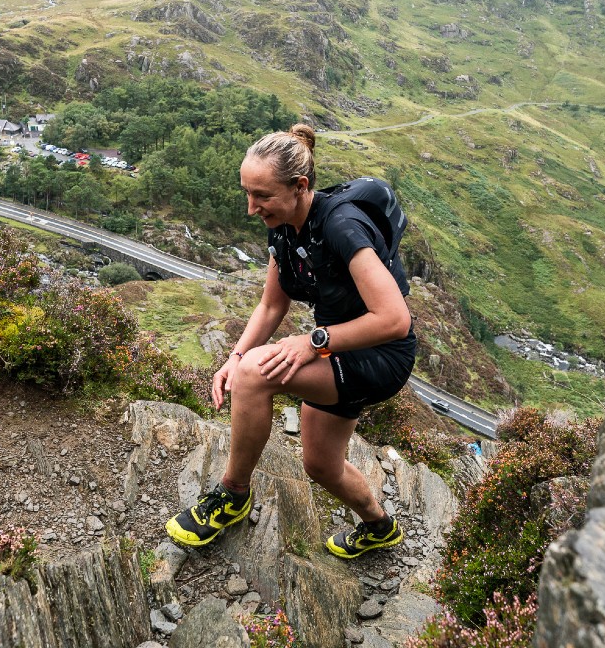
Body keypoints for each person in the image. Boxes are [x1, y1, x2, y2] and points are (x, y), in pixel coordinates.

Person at [165, 124, 417, 559]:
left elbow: (394, 319)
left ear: (300, 186)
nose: (251, 207)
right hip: (337, 350)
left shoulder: (342, 226)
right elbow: (270, 306)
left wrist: (314, 342)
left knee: (255, 377)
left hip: (378, 355)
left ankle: (233, 495)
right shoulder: (282, 228)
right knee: (320, 465)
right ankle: (380, 526)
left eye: (261, 195)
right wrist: (235, 355)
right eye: (247, 192)